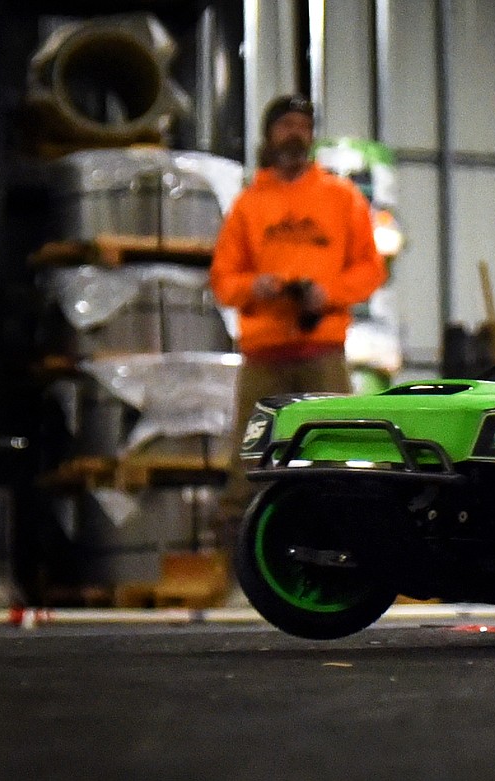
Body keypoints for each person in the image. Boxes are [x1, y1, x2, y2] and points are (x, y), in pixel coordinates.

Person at [210, 94, 387, 553]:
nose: (294, 133)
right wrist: (258, 286)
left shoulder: (341, 198)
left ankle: (349, 549)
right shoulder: (248, 206)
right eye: (285, 125)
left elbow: (371, 269)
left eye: (302, 126)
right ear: (269, 136)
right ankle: (238, 565)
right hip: (263, 356)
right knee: (247, 462)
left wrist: (327, 294)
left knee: (337, 452)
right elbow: (224, 280)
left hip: (322, 353)